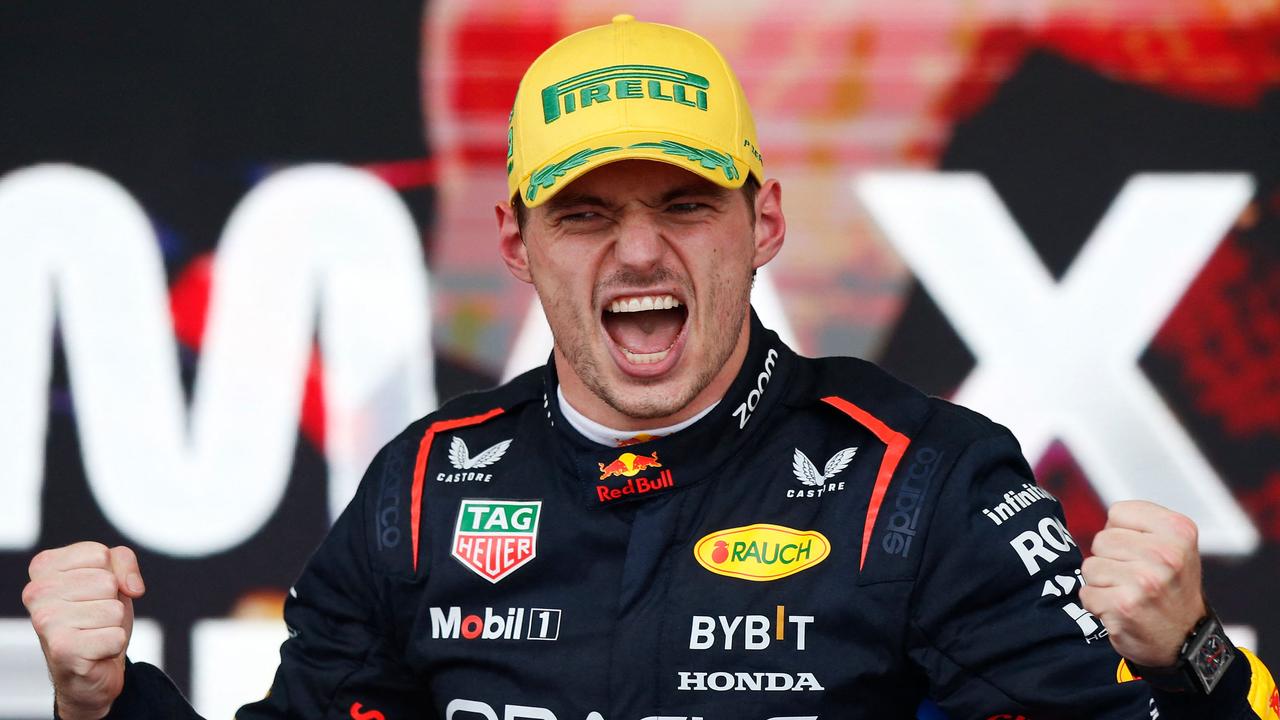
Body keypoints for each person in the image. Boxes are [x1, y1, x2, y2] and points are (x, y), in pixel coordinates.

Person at [21, 14, 1279, 720]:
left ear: (760, 222)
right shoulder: (425, 490)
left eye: (682, 202)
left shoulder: (926, 485)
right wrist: (97, 702)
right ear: (514, 242)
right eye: (583, 213)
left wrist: (1197, 662)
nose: (637, 252)